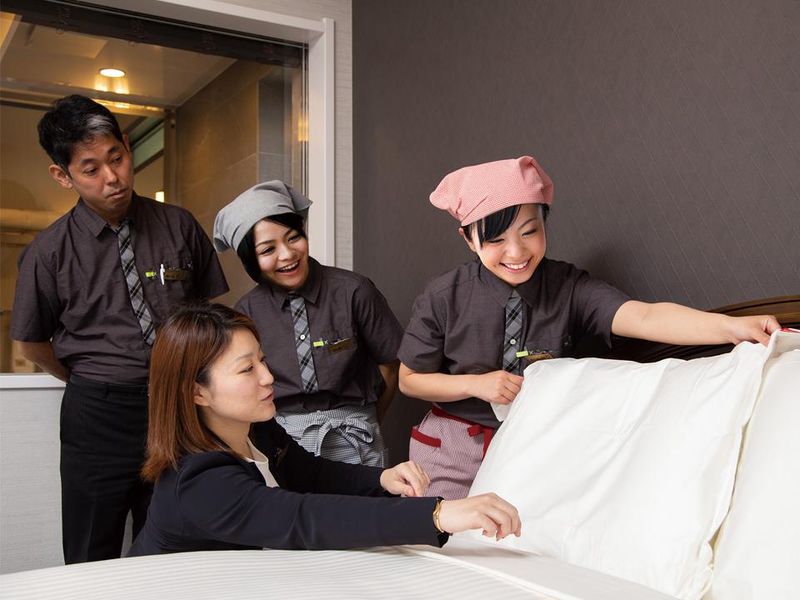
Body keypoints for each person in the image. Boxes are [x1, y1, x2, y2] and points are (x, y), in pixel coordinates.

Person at [398, 155, 781, 500]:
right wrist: (475, 384)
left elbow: (645, 317)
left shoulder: (569, 287)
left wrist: (732, 328)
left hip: (534, 448)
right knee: (437, 538)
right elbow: (410, 380)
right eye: (496, 240)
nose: (516, 253)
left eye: (529, 232)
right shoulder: (443, 295)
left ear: (544, 222)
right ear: (468, 238)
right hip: (452, 450)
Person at [9, 95, 229, 563]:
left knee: (180, 543)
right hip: (98, 416)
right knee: (92, 548)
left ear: (127, 147)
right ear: (62, 175)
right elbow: (30, 342)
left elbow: (207, 315)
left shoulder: (179, 225)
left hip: (176, 407)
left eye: (117, 158)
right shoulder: (49, 252)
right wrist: (84, 378)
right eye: (91, 169)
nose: (112, 177)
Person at [128, 303, 520, 555]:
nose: (268, 377)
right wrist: (435, 514)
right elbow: (304, 518)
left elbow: (311, 474)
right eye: (247, 369)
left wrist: (382, 478)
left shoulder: (256, 429)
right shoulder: (198, 481)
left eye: (262, 360)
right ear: (197, 392)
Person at [212, 181, 402, 467]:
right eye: (268, 249)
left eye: (293, 238)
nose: (287, 254)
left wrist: (368, 418)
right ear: (251, 261)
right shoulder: (246, 312)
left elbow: (391, 366)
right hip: (282, 444)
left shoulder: (354, 291)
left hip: (355, 437)